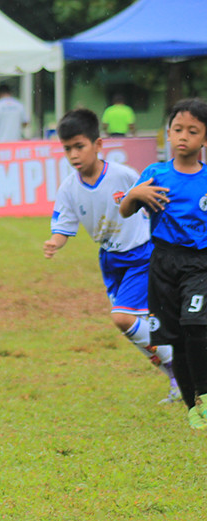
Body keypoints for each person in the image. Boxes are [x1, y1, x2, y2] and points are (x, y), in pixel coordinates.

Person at [44, 108, 179, 403]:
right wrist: (55, 242)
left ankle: (182, 362)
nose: (74, 155)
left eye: (79, 146)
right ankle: (176, 379)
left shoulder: (123, 175)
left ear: (98, 145)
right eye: (67, 149)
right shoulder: (69, 188)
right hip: (110, 259)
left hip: (141, 254)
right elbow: (64, 225)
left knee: (122, 319)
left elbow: (154, 201)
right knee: (137, 329)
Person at [119, 98, 207, 429]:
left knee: (196, 324)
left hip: (199, 262)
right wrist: (134, 196)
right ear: (167, 134)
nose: (184, 136)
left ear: (205, 139)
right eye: (177, 129)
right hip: (163, 261)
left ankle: (205, 392)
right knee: (175, 338)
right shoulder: (154, 175)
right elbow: (125, 211)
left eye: (193, 131)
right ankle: (192, 407)